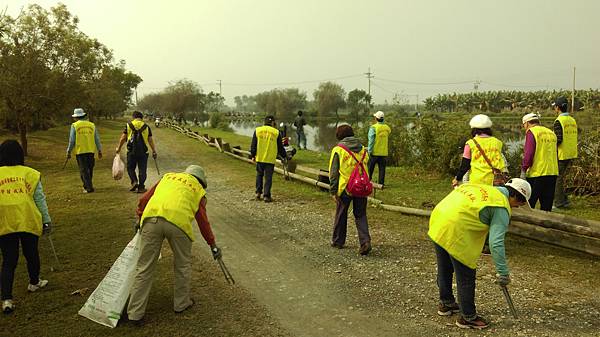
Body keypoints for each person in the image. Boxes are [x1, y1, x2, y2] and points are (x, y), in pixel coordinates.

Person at [428, 178, 531, 329]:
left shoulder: (485, 189)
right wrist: (503, 273)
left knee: (445, 267)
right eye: (521, 204)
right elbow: (496, 243)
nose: (518, 207)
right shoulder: (501, 206)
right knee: (466, 274)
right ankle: (467, 317)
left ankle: (446, 303)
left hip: (439, 219)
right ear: (516, 198)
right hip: (456, 227)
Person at [127, 165, 221, 325]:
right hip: (179, 224)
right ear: (201, 180)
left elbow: (144, 198)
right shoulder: (198, 190)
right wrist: (212, 244)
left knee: (144, 267)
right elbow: (203, 222)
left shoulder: (168, 177)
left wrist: (140, 216)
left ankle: (135, 314)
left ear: (186, 173)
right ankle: (181, 303)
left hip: (152, 219)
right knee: (182, 266)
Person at [0, 140, 52, 314]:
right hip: (28, 219)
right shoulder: (30, 173)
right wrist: (46, 220)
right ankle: (34, 282)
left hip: (5, 221)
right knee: (31, 253)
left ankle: (6, 299)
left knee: (9, 260)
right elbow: (39, 199)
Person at [329, 124, 372, 255]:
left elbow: (334, 173)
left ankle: (338, 241)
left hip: (345, 188)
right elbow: (366, 168)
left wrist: (333, 191)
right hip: (361, 187)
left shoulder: (338, 150)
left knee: (341, 214)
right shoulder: (363, 149)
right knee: (361, 215)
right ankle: (365, 242)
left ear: (339, 135)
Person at [453, 114, 507, 187]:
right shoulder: (497, 142)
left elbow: (465, 165)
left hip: (477, 182)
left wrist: (457, 178)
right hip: (495, 181)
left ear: (474, 129)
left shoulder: (470, 144)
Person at [520, 113, 558, 211]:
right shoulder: (550, 132)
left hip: (537, 173)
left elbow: (529, 154)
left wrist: (523, 169)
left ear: (527, 123)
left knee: (529, 204)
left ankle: (527, 225)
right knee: (546, 206)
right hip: (552, 172)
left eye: (524, 125)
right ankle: (546, 224)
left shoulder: (532, 132)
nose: (524, 128)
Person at [116, 111, 158, 193]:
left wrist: (119, 148)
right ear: (141, 118)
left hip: (131, 152)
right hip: (143, 152)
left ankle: (134, 181)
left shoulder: (128, 125)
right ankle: (141, 187)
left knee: (130, 168)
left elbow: (123, 138)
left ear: (134, 117)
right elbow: (150, 140)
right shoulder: (146, 127)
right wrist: (154, 151)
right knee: (142, 169)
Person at [250, 115, 286, 203]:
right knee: (268, 178)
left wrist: (253, 155)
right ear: (273, 122)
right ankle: (266, 196)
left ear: (264, 122)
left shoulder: (258, 130)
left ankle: (258, 193)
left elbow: (253, 145)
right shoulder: (276, 132)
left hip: (260, 157)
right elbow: (280, 147)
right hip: (270, 158)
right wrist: (285, 156)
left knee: (259, 175)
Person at [66, 108, 102, 193]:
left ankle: (89, 188)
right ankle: (87, 185)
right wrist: (99, 150)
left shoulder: (74, 125)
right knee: (89, 169)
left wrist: (69, 151)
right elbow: (96, 138)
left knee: (83, 170)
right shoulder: (92, 125)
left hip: (80, 150)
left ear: (76, 117)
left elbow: (72, 140)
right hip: (90, 150)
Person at [552, 97, 577, 209]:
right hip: (571, 152)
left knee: (558, 178)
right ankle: (564, 200)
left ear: (557, 107)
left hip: (562, 153)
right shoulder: (572, 120)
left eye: (555, 106)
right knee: (561, 177)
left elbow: (559, 139)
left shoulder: (559, 121)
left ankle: (558, 203)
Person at [367, 111, 391, 186]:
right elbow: (388, 133)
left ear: (376, 118)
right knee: (382, 169)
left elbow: (371, 140)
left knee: (370, 168)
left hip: (374, 152)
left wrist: (369, 150)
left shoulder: (373, 127)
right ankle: (381, 183)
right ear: (383, 118)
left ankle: (367, 181)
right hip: (383, 153)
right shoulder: (387, 128)